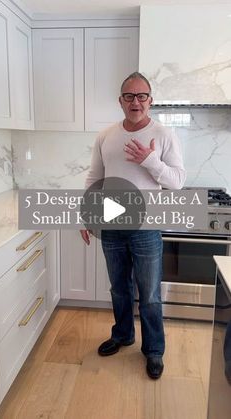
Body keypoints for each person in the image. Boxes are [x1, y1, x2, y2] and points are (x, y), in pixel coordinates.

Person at [80, 72, 186, 379]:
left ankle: (153, 350)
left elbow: (178, 182)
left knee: (150, 294)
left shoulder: (164, 135)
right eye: (129, 96)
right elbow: (94, 178)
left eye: (141, 96)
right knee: (119, 289)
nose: (135, 101)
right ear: (120, 101)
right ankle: (123, 334)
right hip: (111, 225)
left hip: (146, 228)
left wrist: (151, 160)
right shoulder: (106, 136)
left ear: (150, 101)